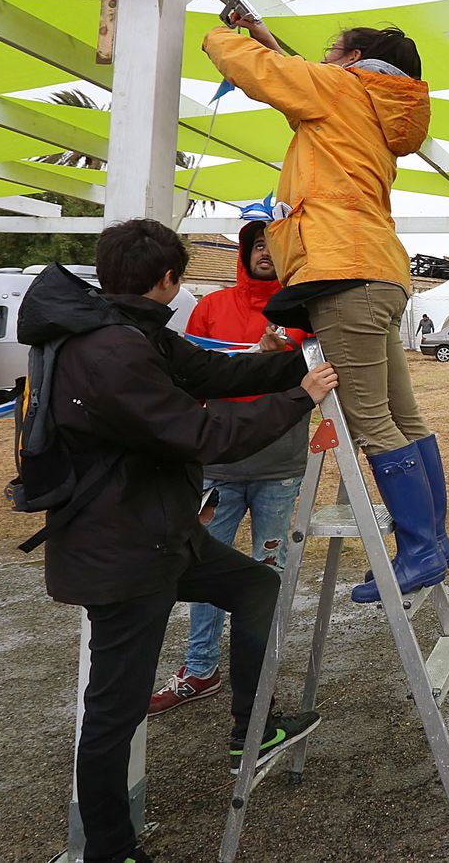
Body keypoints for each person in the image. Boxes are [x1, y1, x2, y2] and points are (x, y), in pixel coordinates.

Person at [19, 219, 337, 863]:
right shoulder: (111, 350)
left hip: (159, 536)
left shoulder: (128, 332)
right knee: (115, 710)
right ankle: (110, 849)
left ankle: (252, 727)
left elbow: (213, 373)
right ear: (169, 279)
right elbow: (201, 434)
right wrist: (299, 399)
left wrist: (294, 360)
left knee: (256, 586)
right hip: (122, 553)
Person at [204, 16, 449, 605]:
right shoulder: (371, 100)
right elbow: (303, 82)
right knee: (404, 416)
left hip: (341, 272)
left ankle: (420, 548)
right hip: (378, 270)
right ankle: (432, 541)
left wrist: (220, 36)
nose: (324, 60)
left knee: (370, 421)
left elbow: (264, 74)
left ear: (353, 58)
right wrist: (272, 41)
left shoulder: (339, 88)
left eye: (332, 53)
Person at [149, 221, 310, 717]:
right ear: (244, 252)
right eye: (256, 245)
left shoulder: (301, 308)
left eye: (273, 246)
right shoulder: (211, 307)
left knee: (270, 570)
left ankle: (262, 680)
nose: (264, 253)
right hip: (216, 466)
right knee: (200, 569)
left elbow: (321, 374)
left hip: (280, 465)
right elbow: (187, 379)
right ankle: (200, 668)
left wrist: (285, 358)